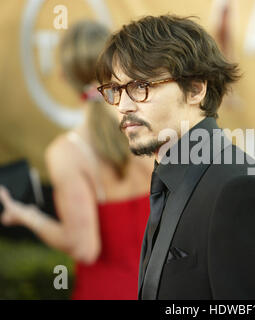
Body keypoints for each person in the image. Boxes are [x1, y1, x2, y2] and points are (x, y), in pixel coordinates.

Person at [96, 14, 255, 300]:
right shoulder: (171, 176)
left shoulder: (240, 191)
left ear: (195, 89)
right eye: (115, 90)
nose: (123, 105)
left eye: (141, 86)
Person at [0, 21, 154, 299]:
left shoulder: (67, 154)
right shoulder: (151, 130)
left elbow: (85, 248)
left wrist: (29, 217)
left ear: (62, 76)